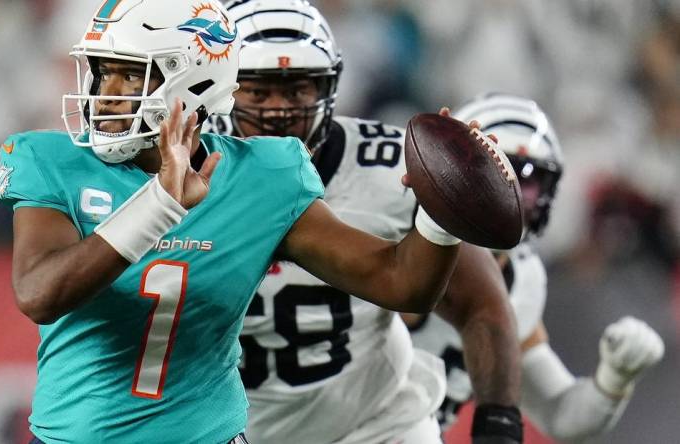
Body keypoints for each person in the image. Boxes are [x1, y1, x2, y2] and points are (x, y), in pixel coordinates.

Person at [0, 1, 508, 443]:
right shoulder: (52, 160)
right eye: (103, 71)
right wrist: (158, 205)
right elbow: (40, 293)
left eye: (131, 73)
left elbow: (401, 283)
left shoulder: (263, 176)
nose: (107, 92)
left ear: (193, 78)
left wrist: (440, 213)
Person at [203, 1, 524, 443]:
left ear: (329, 88)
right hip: (236, 430)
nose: (278, 111)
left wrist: (499, 419)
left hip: (377, 423)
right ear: (220, 89)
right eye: (257, 92)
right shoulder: (183, 180)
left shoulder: (394, 168)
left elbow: (480, 302)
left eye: (298, 90)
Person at [408, 93, 666, 442]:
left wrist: (614, 379)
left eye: (527, 184)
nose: (510, 197)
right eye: (497, 174)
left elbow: (561, 416)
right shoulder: (398, 235)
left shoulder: (521, 278)